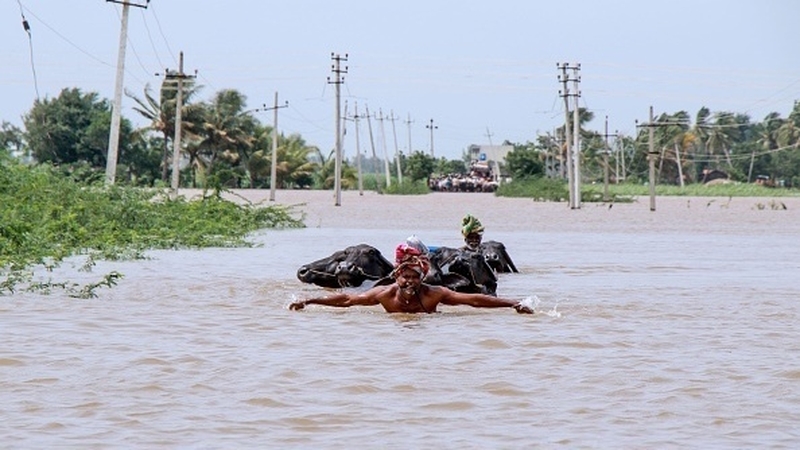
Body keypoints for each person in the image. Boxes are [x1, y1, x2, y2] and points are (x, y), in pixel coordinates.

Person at [289, 242, 533, 314]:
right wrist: (309, 302)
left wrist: (514, 304)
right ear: (397, 277)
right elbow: (347, 300)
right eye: (404, 277)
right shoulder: (384, 294)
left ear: (421, 277)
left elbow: (475, 300)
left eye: (413, 277)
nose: (408, 282)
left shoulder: (434, 294)